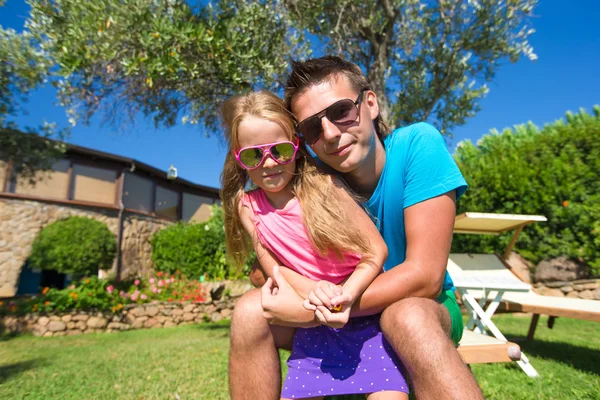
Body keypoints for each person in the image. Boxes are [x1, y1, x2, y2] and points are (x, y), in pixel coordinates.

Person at [228, 56, 484, 400]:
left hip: (419, 306)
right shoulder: (306, 177)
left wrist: (316, 311)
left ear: (371, 103)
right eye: (313, 128)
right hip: (335, 308)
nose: (331, 134)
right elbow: (264, 267)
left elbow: (426, 277)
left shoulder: (417, 146)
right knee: (248, 310)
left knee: (405, 315)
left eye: (341, 111)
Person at [221, 90, 409, 399]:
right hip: (312, 329)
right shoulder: (247, 205)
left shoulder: (325, 186)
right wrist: (314, 292)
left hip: (367, 322)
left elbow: (376, 251)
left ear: (296, 147)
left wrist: (343, 296)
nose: (268, 163)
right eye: (254, 154)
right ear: (239, 158)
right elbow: (270, 262)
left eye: (279, 150)